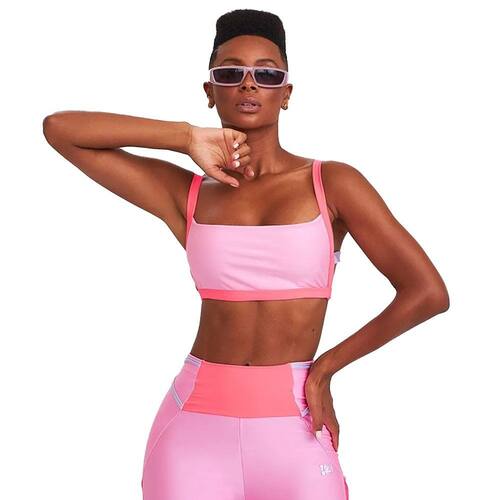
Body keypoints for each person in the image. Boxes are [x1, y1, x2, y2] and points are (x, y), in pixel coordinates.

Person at [42, 8, 450, 500]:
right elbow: (60, 129)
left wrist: (326, 368)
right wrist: (185, 137)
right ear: (209, 90)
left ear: (287, 93)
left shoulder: (332, 183)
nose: (249, 84)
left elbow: (427, 292)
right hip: (193, 430)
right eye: (230, 73)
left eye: (267, 74)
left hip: (296, 423)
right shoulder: (187, 195)